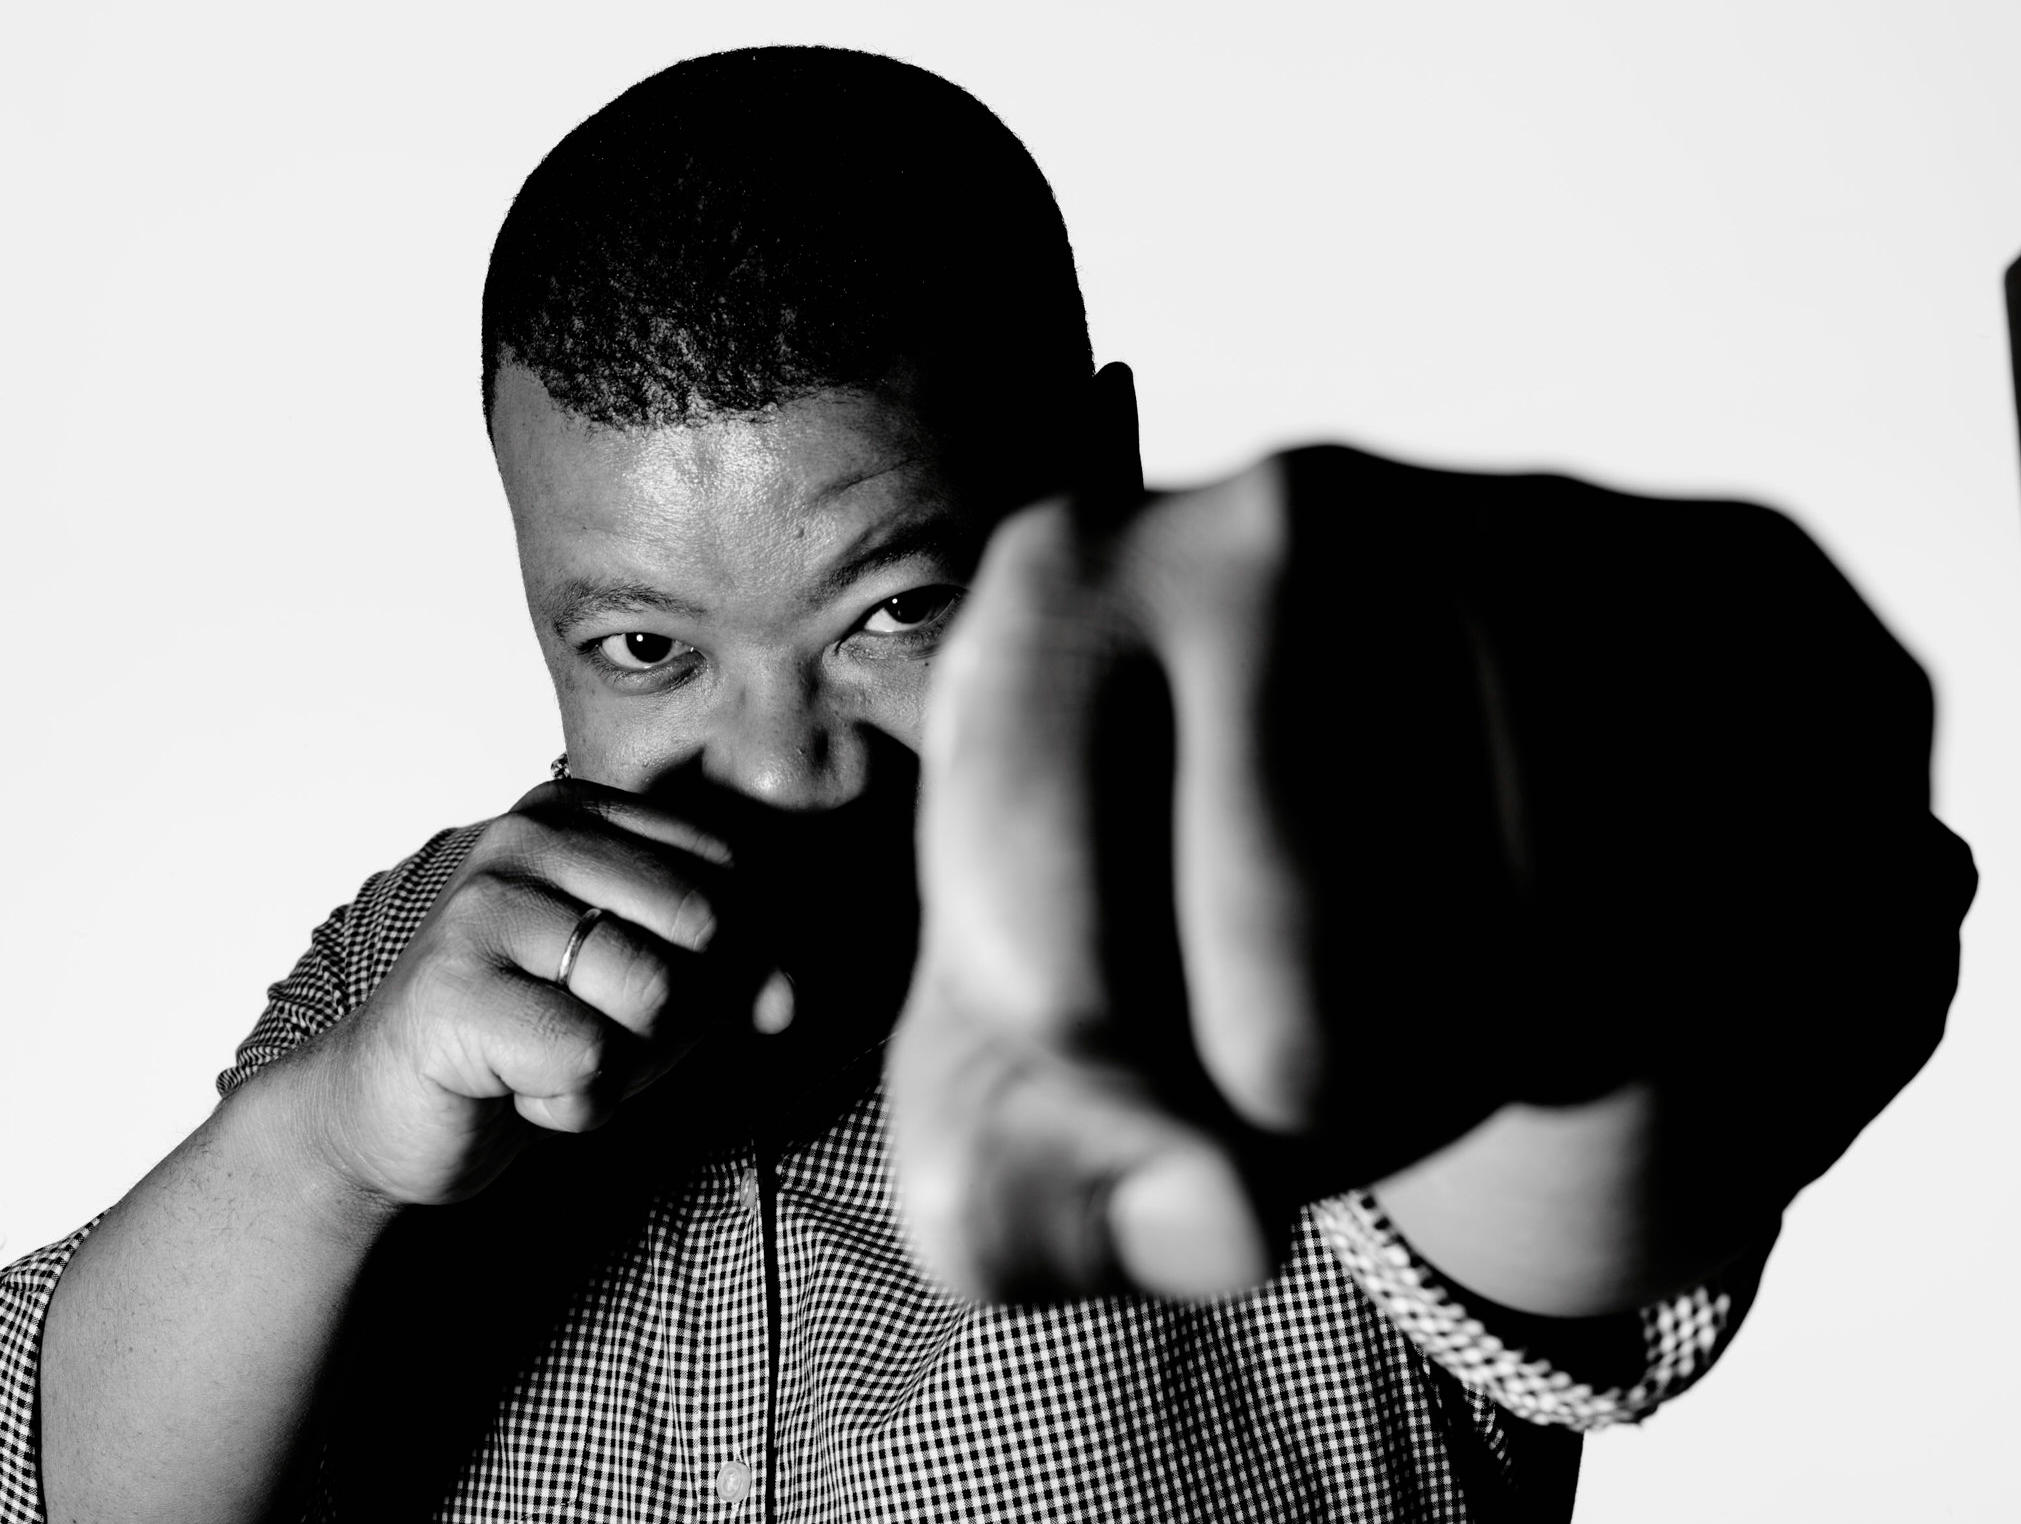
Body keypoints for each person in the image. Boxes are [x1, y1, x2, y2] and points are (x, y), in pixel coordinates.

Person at [0, 45, 1974, 1524]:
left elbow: (1579, 1171)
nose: (781, 767)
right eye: (643, 650)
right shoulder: (426, 960)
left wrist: (1582, 931)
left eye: (894, 609)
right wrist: (331, 1149)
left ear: (1098, 478)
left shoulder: (1299, 881)